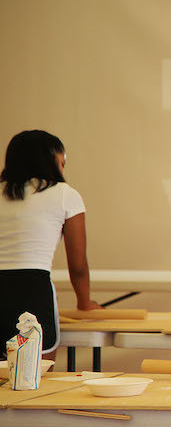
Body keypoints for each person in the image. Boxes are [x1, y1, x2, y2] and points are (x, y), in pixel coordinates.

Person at [0, 130, 101, 358]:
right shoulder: (64, 194)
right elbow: (78, 264)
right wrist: (84, 302)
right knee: (36, 373)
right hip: (32, 289)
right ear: (51, 159)